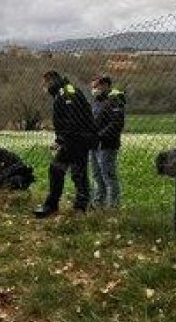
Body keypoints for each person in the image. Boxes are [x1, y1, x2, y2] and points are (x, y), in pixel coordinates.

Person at [34, 71, 96, 218]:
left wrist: (60, 140)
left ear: (50, 81)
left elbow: (72, 120)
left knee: (61, 170)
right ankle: (79, 208)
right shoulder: (66, 91)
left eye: (44, 84)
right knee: (76, 172)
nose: (44, 87)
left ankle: (56, 206)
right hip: (78, 139)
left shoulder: (66, 94)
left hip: (76, 140)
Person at [89, 76, 126, 209]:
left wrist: (99, 136)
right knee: (96, 176)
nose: (94, 90)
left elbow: (116, 124)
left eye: (96, 87)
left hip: (107, 145)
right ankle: (98, 203)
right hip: (93, 145)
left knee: (108, 176)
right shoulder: (96, 102)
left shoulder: (115, 101)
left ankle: (113, 206)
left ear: (105, 85)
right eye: (92, 87)